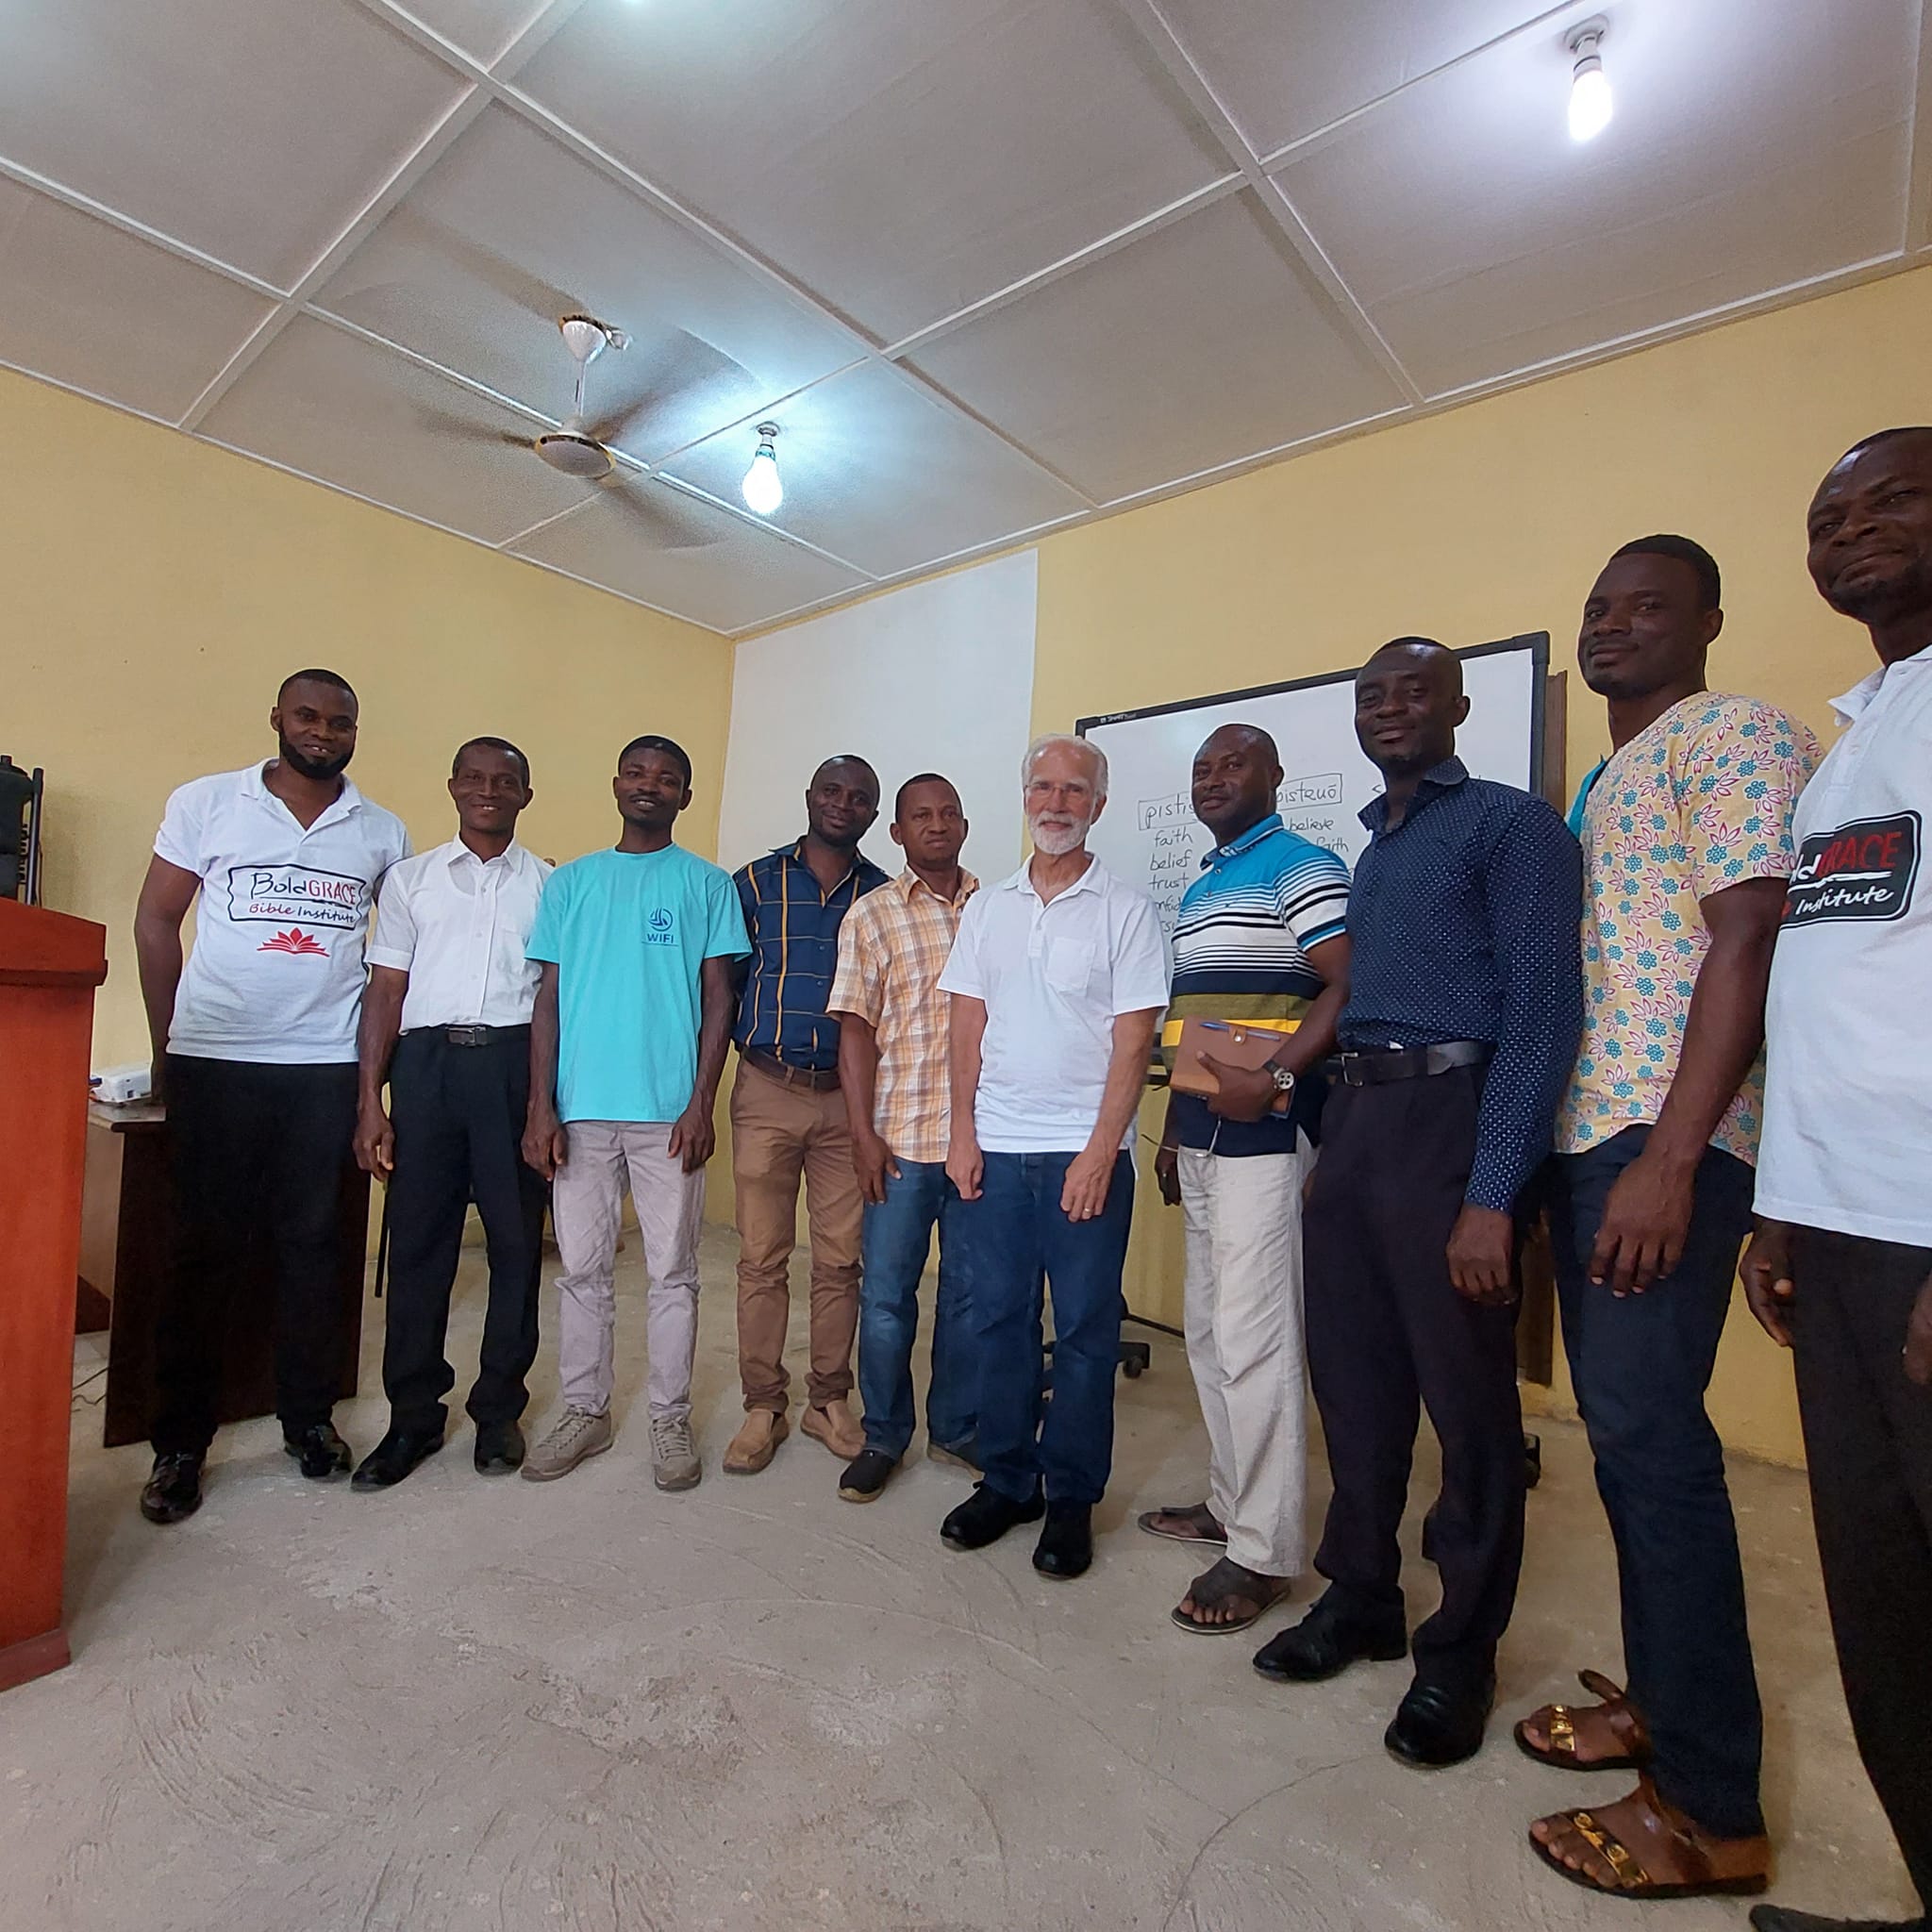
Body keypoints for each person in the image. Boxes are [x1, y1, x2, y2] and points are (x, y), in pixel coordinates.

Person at [1519, 541, 1818, 1901]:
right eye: (1598, 607)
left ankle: (1707, 1809)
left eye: (1649, 605)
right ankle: (1660, 1702)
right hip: (1604, 1136)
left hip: (1660, 1140)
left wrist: (1676, 1156)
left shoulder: (1734, 732)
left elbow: (1751, 938)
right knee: (1632, 1453)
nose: (1613, 626)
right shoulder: (1610, 776)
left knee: (1656, 1451)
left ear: (1710, 622)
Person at [1253, 639, 1582, 1768]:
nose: (1388, 708)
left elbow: (1540, 1017)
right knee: (1351, 1384)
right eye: (1369, 694)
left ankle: (1458, 1652)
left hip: (1453, 1121)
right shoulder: (1375, 845)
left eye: (1412, 690)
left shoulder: (1510, 823)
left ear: (1458, 705)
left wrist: (1493, 1194)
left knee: (1470, 1413)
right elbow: (1357, 998)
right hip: (1358, 1125)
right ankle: (1361, 1596)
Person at [1741, 426, 1932, 1932]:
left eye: (1894, 500)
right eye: (1828, 516)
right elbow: (1840, 994)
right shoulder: (1856, 737)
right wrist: (1785, 1203)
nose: (1852, 533)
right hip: (1843, 1230)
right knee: (1882, 1607)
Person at [134, 670, 411, 1524]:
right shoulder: (207, 802)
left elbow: (392, 956)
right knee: (201, 1251)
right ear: (278, 721)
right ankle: (179, 1443)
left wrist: (373, 1086)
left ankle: (308, 1420)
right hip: (217, 1059)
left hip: (324, 1067)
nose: (322, 732)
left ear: (356, 732)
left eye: (339, 721)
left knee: (314, 1248)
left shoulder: (381, 831)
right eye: (307, 716)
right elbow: (155, 919)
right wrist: (167, 1046)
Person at [936, 734, 1170, 1580]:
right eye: (1043, 786)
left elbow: (1133, 1042)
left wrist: (1100, 1151)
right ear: (1024, 798)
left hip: (1082, 1155)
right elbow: (967, 1026)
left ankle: (1070, 1497)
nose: (1057, 802)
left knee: (1082, 1332)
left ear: (1098, 806)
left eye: (1076, 790)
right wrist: (962, 1134)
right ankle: (1008, 1479)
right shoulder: (989, 907)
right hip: (995, 1151)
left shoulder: (1127, 911)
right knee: (995, 1320)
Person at [1144, 724, 1353, 1634]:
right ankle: (1231, 1510)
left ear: (1275, 776)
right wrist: (1165, 1129)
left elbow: (1349, 984)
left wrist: (1273, 1081)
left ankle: (1266, 1553)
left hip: (1267, 1138)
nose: (1215, 779)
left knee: (1256, 1336)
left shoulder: (1301, 865)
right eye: (1202, 769)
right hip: (1200, 1134)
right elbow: (1198, 1019)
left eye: (1235, 764)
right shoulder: (1203, 883)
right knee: (1208, 1332)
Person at [518, 736, 748, 1491]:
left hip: (666, 1117)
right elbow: (545, 1002)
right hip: (581, 1113)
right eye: (639, 773)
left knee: (673, 1273)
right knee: (582, 1271)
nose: (651, 786)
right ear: (616, 783)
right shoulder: (571, 884)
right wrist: (541, 1106)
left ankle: (668, 1417)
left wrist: (699, 1103)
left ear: (686, 796)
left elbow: (720, 999)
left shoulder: (707, 886)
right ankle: (586, 1410)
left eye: (669, 779)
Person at [350, 738, 553, 1488]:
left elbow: (551, 1004)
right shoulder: (410, 881)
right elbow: (385, 991)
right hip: (426, 1070)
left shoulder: (550, 885)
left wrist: (543, 1103)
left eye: (506, 781)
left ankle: (497, 1411)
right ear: (453, 786)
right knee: (419, 1248)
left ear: (526, 795)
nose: (489, 791)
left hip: (511, 1067)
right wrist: (371, 1100)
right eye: (474, 778)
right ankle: (413, 1418)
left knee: (513, 1246)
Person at [724, 756, 890, 1475]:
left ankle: (829, 1400)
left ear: (872, 815)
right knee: (761, 1259)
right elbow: (721, 989)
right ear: (810, 798)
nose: (842, 805)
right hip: (766, 1089)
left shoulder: (886, 895)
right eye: (832, 791)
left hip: (852, 1100)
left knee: (840, 1262)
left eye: (859, 798)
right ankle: (763, 1404)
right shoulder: (754, 884)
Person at [827, 774, 981, 1503]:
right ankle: (886, 1434)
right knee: (887, 1298)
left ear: (964, 824)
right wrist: (862, 1133)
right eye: (921, 815)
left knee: (969, 1295)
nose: (937, 825)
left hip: (982, 1142)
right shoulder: (872, 915)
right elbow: (854, 1029)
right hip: (902, 1138)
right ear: (897, 833)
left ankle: (956, 1428)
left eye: (949, 813)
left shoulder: (1000, 910)